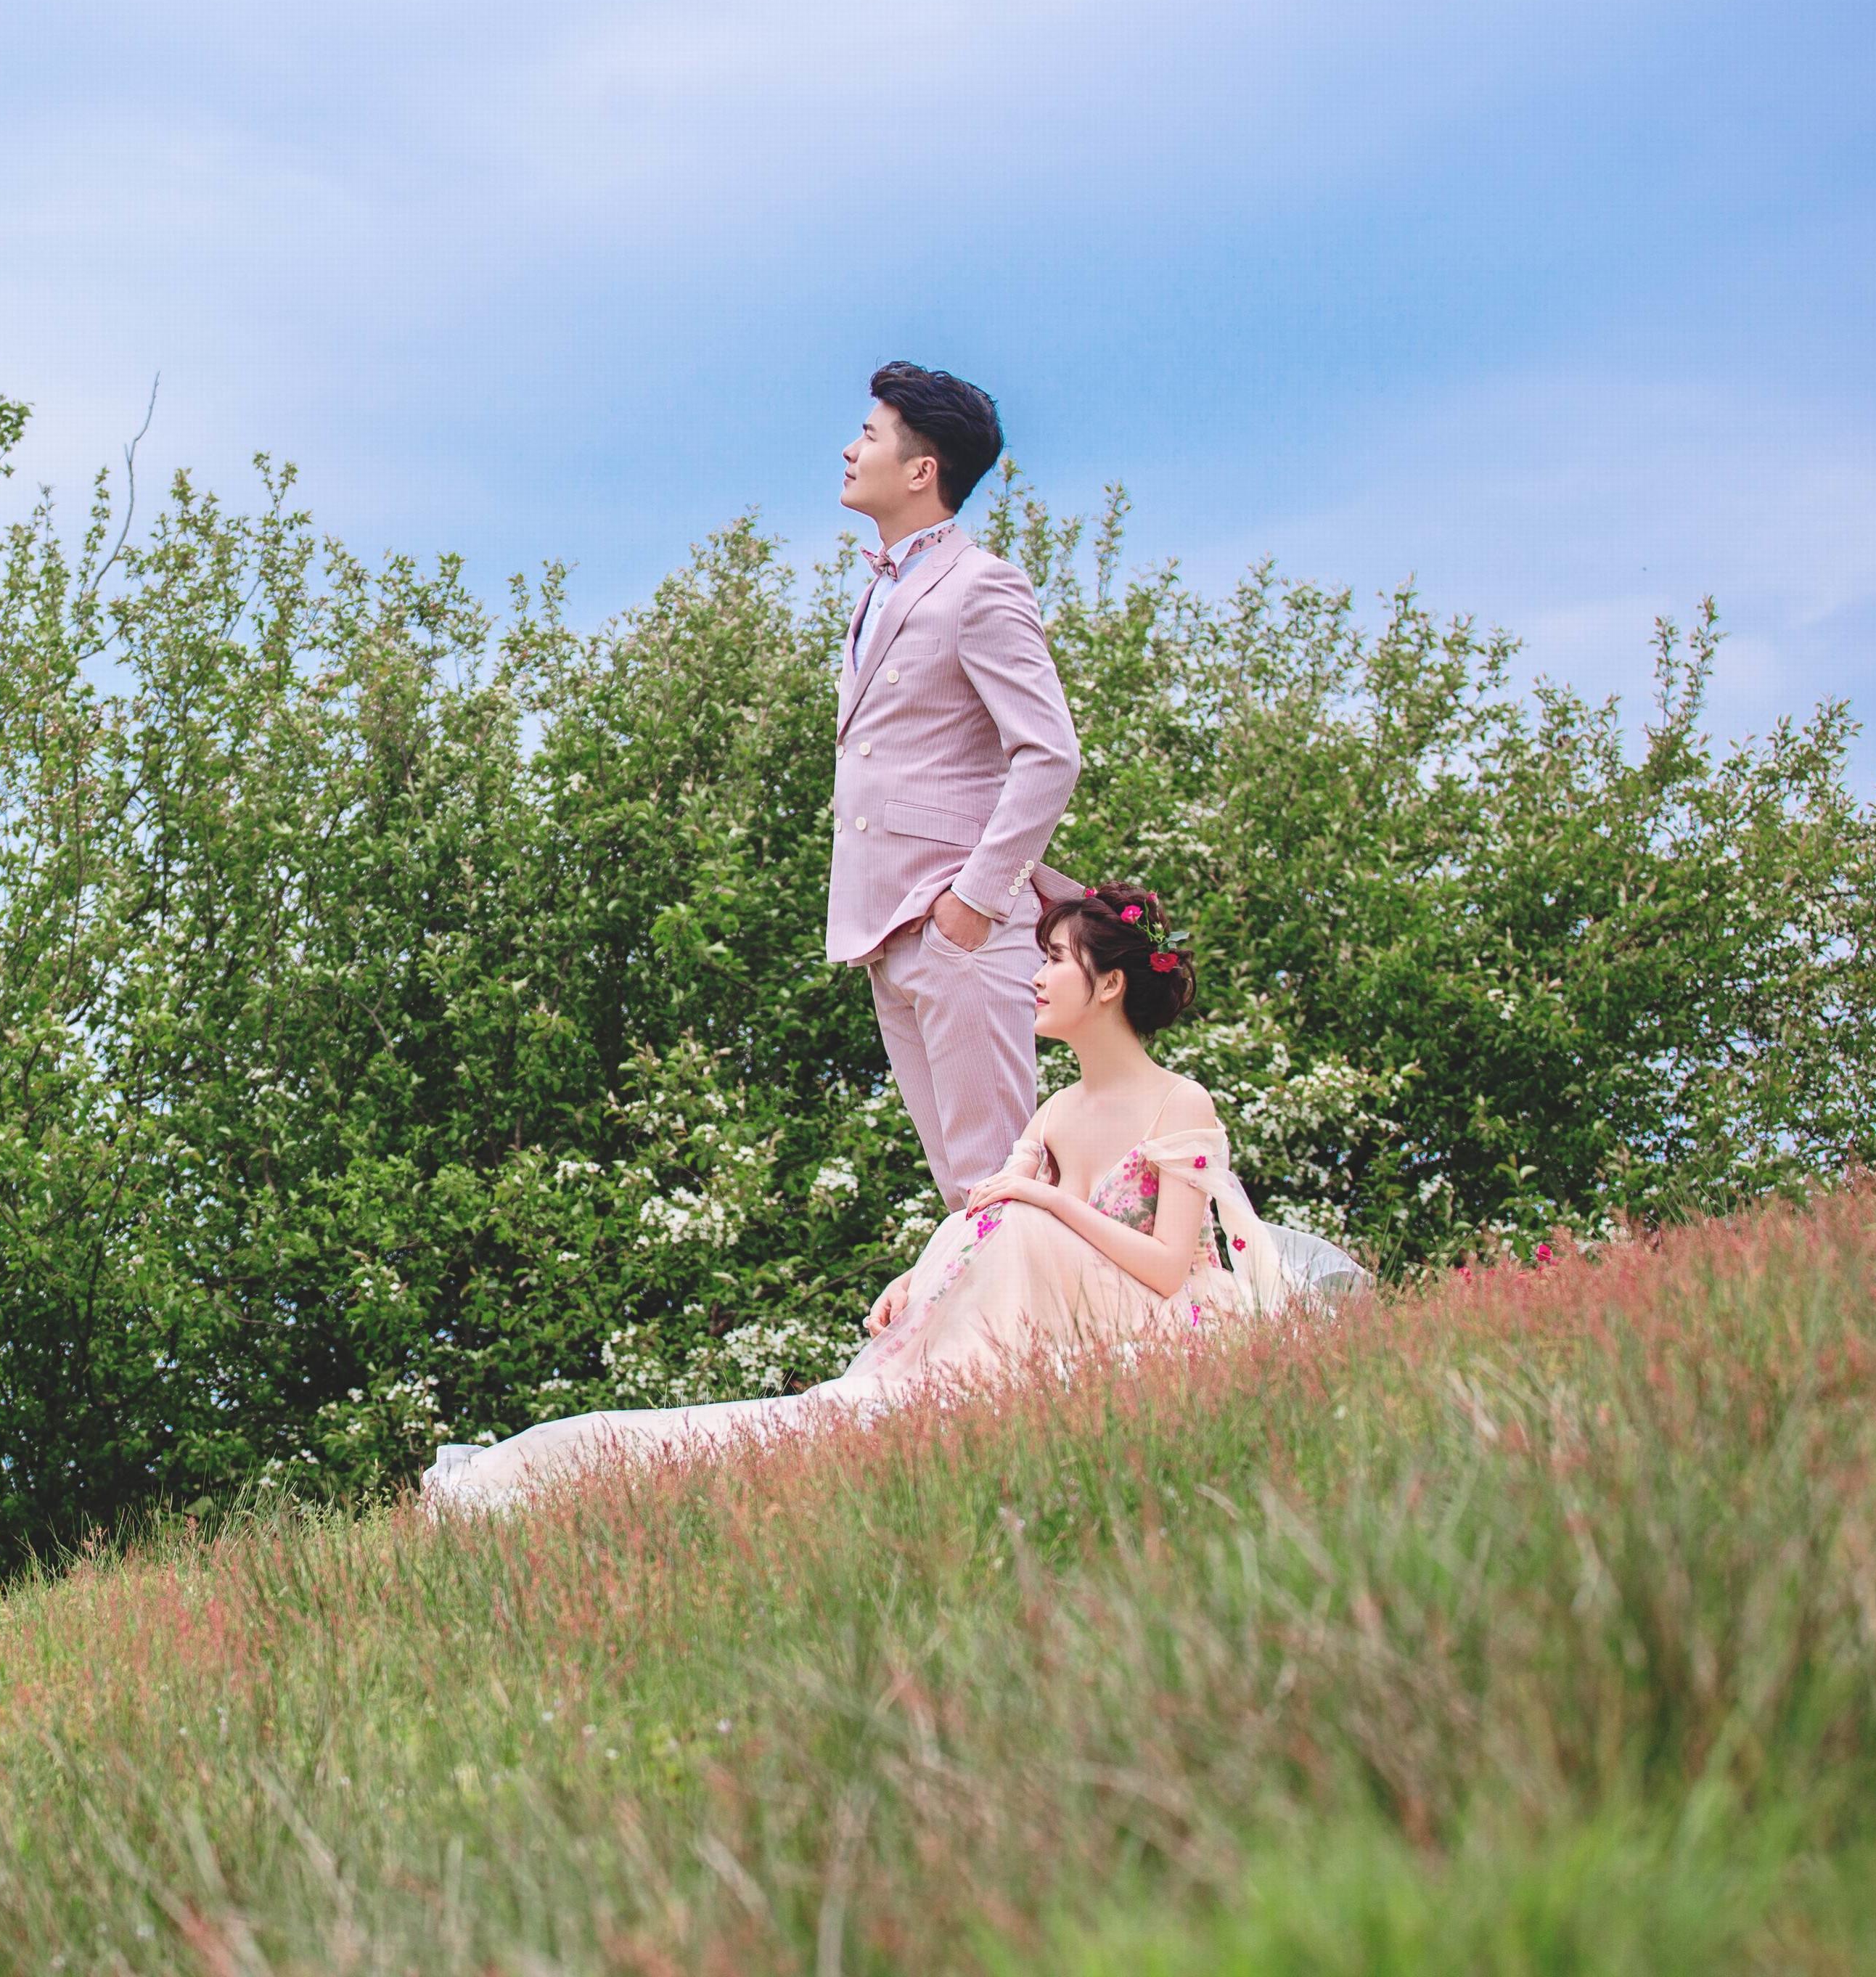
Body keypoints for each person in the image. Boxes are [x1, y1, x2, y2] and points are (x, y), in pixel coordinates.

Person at [421, 883, 1285, 1514]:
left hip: (1149, 1316)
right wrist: (921, 1277)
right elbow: (981, 1214)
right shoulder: (1057, 1110)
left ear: (1109, 985)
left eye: (1053, 959)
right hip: (1058, 1300)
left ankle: (943, 1386)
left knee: (1022, 1213)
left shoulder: (1181, 1104)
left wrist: (1045, 1200)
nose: (1033, 974)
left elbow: (1169, 1270)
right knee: (997, 1225)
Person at [828, 362, 1084, 1210]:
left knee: (1000, 1186)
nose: (848, 449)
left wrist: (974, 901)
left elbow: (1049, 754)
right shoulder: (878, 589)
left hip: (956, 926)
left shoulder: (980, 585)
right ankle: (1004, 1344)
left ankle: (1061, 1341)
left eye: (868, 436)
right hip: (885, 928)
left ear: (920, 470)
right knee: (963, 1193)